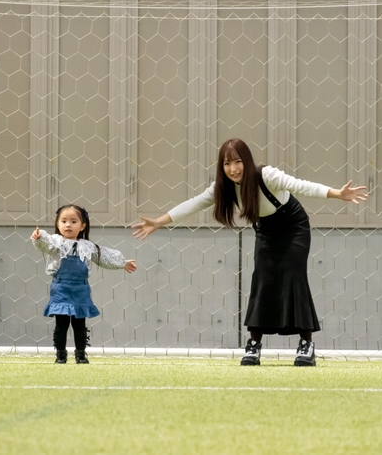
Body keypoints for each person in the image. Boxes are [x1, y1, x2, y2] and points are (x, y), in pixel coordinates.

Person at [132, 138, 367, 367]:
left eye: (237, 162)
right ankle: (254, 345)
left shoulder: (266, 175)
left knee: (294, 277)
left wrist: (337, 193)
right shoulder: (222, 188)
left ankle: (306, 345)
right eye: (226, 164)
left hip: (293, 227)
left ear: (246, 160)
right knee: (262, 280)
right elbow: (193, 204)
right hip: (265, 231)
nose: (232, 169)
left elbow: (301, 185)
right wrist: (158, 222)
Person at [31, 205, 137, 364]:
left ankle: (81, 354)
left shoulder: (87, 246)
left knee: (79, 324)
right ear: (58, 224)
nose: (68, 225)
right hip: (61, 288)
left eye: (73, 221)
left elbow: (104, 257)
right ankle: (60, 354)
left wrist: (122, 263)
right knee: (61, 323)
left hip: (80, 289)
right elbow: (45, 244)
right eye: (64, 221)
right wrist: (39, 238)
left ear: (82, 226)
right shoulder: (56, 243)